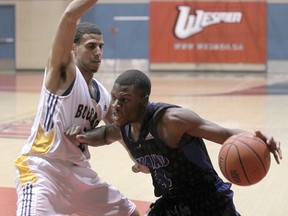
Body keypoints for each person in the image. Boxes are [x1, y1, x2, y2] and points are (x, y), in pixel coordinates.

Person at [73, 69, 282, 216]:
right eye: (114, 98)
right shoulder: (123, 127)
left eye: (124, 100)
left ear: (144, 101)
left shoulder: (171, 121)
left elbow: (224, 132)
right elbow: (103, 135)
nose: (116, 106)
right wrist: (81, 135)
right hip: (172, 201)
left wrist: (259, 141)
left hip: (207, 199)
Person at [14, 1, 140, 215]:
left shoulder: (102, 95)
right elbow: (70, 15)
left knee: (130, 213)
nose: (98, 52)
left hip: (80, 174)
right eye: (91, 46)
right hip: (43, 168)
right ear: (73, 47)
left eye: (100, 46)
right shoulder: (63, 72)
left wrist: (138, 160)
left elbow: (121, 131)